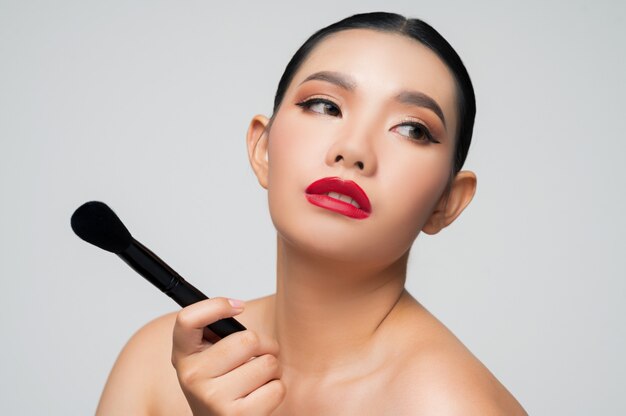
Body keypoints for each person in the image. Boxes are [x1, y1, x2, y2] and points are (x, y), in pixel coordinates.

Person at [95, 12, 528, 415]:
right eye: (324, 105)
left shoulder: (454, 406)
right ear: (262, 148)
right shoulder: (157, 362)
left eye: (412, 129)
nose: (353, 149)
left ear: (447, 202)